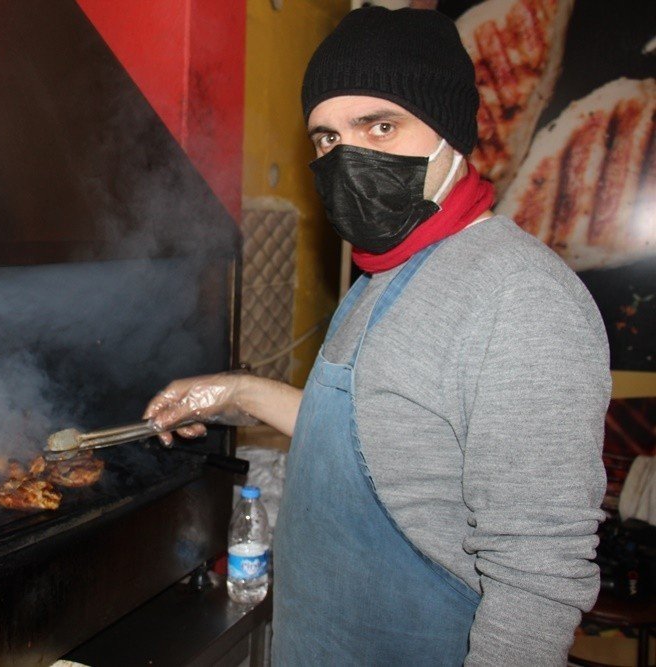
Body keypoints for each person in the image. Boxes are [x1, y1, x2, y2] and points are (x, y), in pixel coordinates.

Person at [143, 7, 611, 666]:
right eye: (328, 139)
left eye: (381, 126)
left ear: (450, 133)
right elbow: (379, 439)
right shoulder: (382, 278)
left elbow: (538, 578)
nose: (349, 157)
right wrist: (237, 392)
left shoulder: (519, 297)